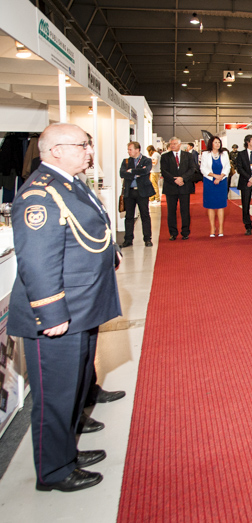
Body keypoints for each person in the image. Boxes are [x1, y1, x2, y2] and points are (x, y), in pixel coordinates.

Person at [10, 122, 121, 492]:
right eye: (82, 145)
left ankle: (67, 450)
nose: (89, 151)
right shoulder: (39, 195)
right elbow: (37, 261)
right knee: (56, 396)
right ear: (56, 150)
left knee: (74, 387)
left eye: (88, 144)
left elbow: (91, 227)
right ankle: (54, 470)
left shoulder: (68, 183)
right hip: (60, 313)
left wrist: (110, 251)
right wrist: (51, 313)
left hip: (82, 306)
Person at [160, 136, 198, 240]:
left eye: (174, 144)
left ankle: (185, 232)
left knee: (185, 210)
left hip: (184, 186)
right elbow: (164, 171)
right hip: (170, 187)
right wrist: (174, 180)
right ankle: (173, 233)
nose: (172, 145)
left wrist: (182, 178)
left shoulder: (188, 155)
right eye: (171, 144)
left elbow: (192, 169)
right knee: (171, 211)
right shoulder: (165, 156)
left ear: (180, 145)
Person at [119, 141, 154, 248]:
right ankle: (128, 240)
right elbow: (122, 173)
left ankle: (147, 239)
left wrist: (131, 171)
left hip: (142, 192)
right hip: (129, 192)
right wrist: (137, 172)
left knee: (145, 215)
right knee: (129, 217)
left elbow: (146, 171)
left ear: (137, 150)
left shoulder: (146, 160)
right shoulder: (126, 161)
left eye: (130, 149)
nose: (128, 151)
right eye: (128, 149)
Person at [199, 136, 230, 237]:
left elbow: (227, 167)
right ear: (211, 143)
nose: (218, 144)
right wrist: (214, 176)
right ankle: (212, 228)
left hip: (222, 181)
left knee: (221, 205)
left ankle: (221, 228)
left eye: (219, 142)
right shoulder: (205, 154)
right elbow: (203, 168)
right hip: (209, 182)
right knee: (210, 205)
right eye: (215, 142)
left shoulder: (224, 154)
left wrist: (220, 177)